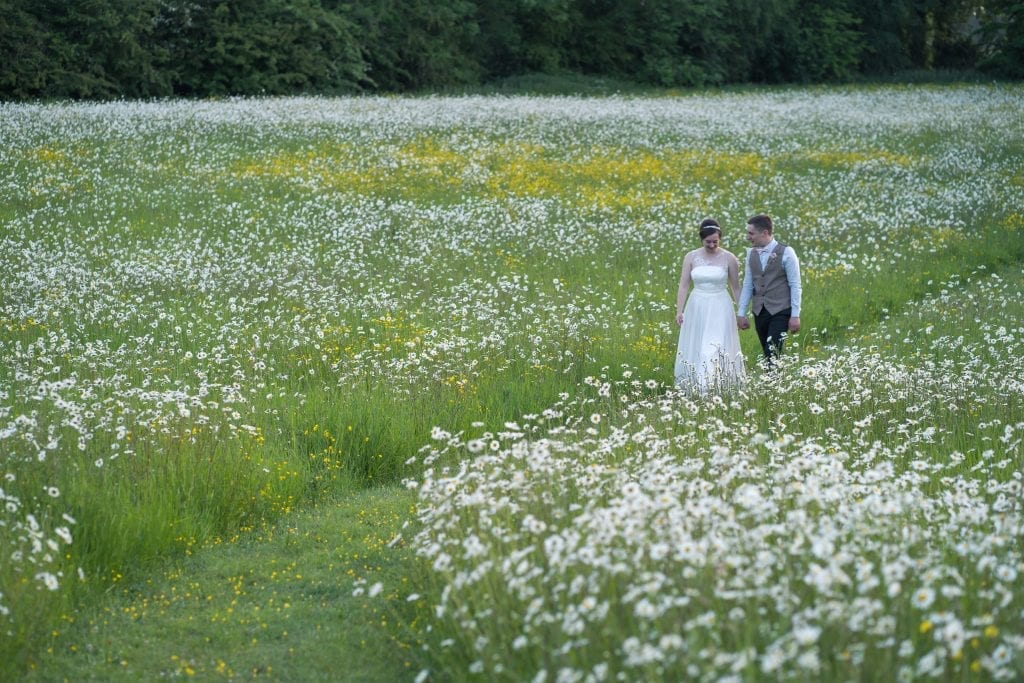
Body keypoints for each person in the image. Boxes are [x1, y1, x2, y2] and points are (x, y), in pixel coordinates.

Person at [674, 218, 745, 393]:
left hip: (720, 306)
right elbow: (684, 285)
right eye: (708, 242)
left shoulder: (729, 258)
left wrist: (741, 312)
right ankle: (696, 385)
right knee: (698, 343)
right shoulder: (691, 257)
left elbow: (735, 287)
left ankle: (713, 386)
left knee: (714, 345)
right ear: (701, 239)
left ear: (720, 238)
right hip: (697, 305)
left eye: (715, 241)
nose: (712, 245)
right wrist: (679, 310)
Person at [736, 214, 802, 365]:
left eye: (751, 233)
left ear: (764, 233)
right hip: (760, 311)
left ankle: (771, 382)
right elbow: (748, 284)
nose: (748, 237)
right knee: (768, 353)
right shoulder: (750, 254)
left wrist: (795, 315)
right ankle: (774, 383)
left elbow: (795, 285)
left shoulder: (787, 252)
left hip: (781, 310)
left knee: (772, 352)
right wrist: (741, 313)